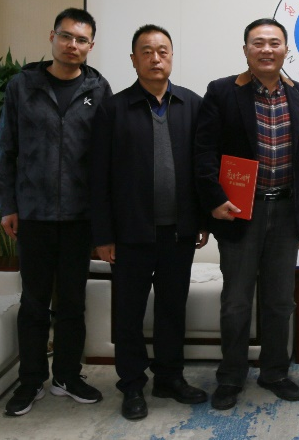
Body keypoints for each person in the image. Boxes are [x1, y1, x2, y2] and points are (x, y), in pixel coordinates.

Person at [194, 18, 299, 411]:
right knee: (236, 301)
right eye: (258, 43)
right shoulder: (222, 91)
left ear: (286, 50)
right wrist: (214, 199)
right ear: (246, 49)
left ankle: (275, 372)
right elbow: (203, 151)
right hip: (239, 213)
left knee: (280, 300)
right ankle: (231, 376)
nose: (267, 49)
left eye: (274, 43)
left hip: (286, 210)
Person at [0, 8, 112, 416]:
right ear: (52, 37)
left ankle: (66, 376)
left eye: (81, 40)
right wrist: (8, 205)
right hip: (34, 214)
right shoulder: (22, 86)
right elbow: (6, 149)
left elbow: (106, 158)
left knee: (73, 304)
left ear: (91, 45)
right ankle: (31, 381)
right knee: (33, 303)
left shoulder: (98, 89)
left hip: (80, 217)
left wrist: (104, 218)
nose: (72, 45)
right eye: (66, 36)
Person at [91, 24, 209, 420]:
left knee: (173, 310)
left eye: (163, 51)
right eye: (146, 51)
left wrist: (201, 219)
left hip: (179, 232)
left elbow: (203, 168)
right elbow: (98, 176)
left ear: (171, 56)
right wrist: (103, 235)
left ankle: (169, 378)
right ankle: (131, 385)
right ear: (133, 59)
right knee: (129, 313)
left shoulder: (192, 104)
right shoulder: (113, 109)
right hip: (130, 234)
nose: (155, 58)